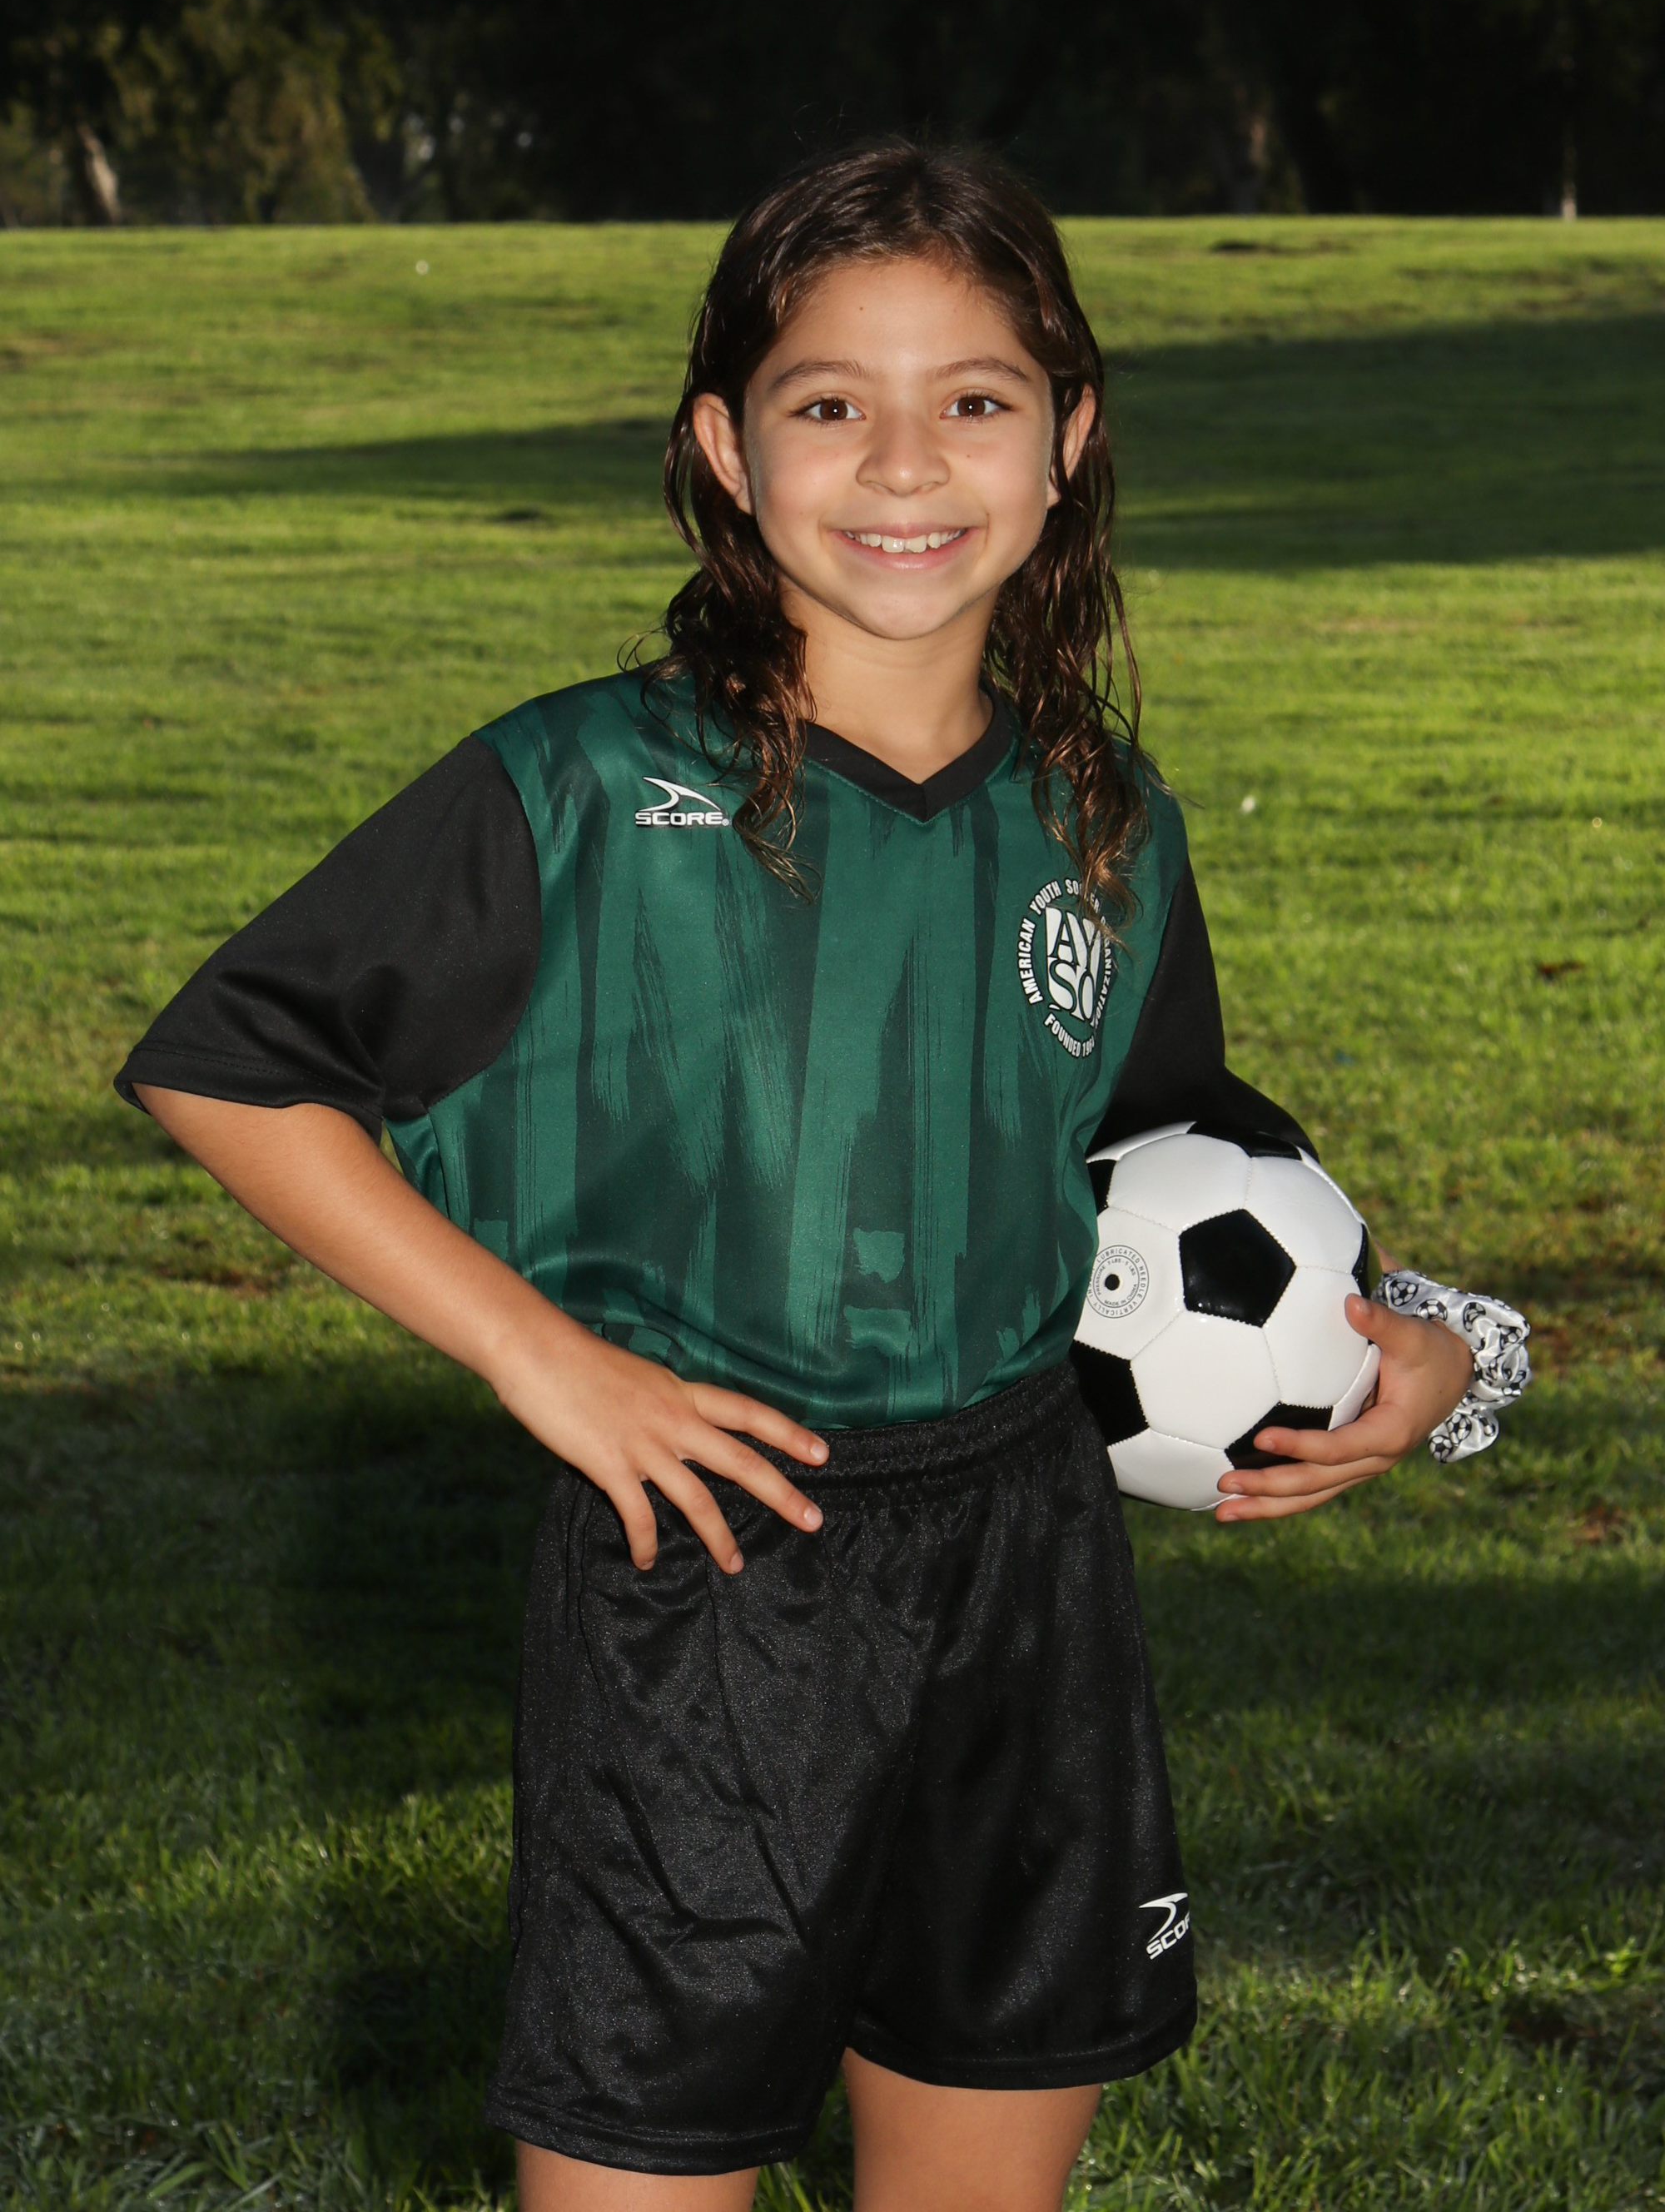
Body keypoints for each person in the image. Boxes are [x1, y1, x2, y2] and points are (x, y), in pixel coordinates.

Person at [117, 142, 1512, 2212]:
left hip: (1027, 1568)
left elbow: (1172, 1147)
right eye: (829, 401)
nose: (904, 461)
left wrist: (1439, 1349)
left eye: (976, 397)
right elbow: (231, 1064)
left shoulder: (1102, 816)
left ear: (1067, 440)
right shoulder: (578, 786)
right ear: (725, 445)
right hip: (706, 1560)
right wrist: (542, 1358)